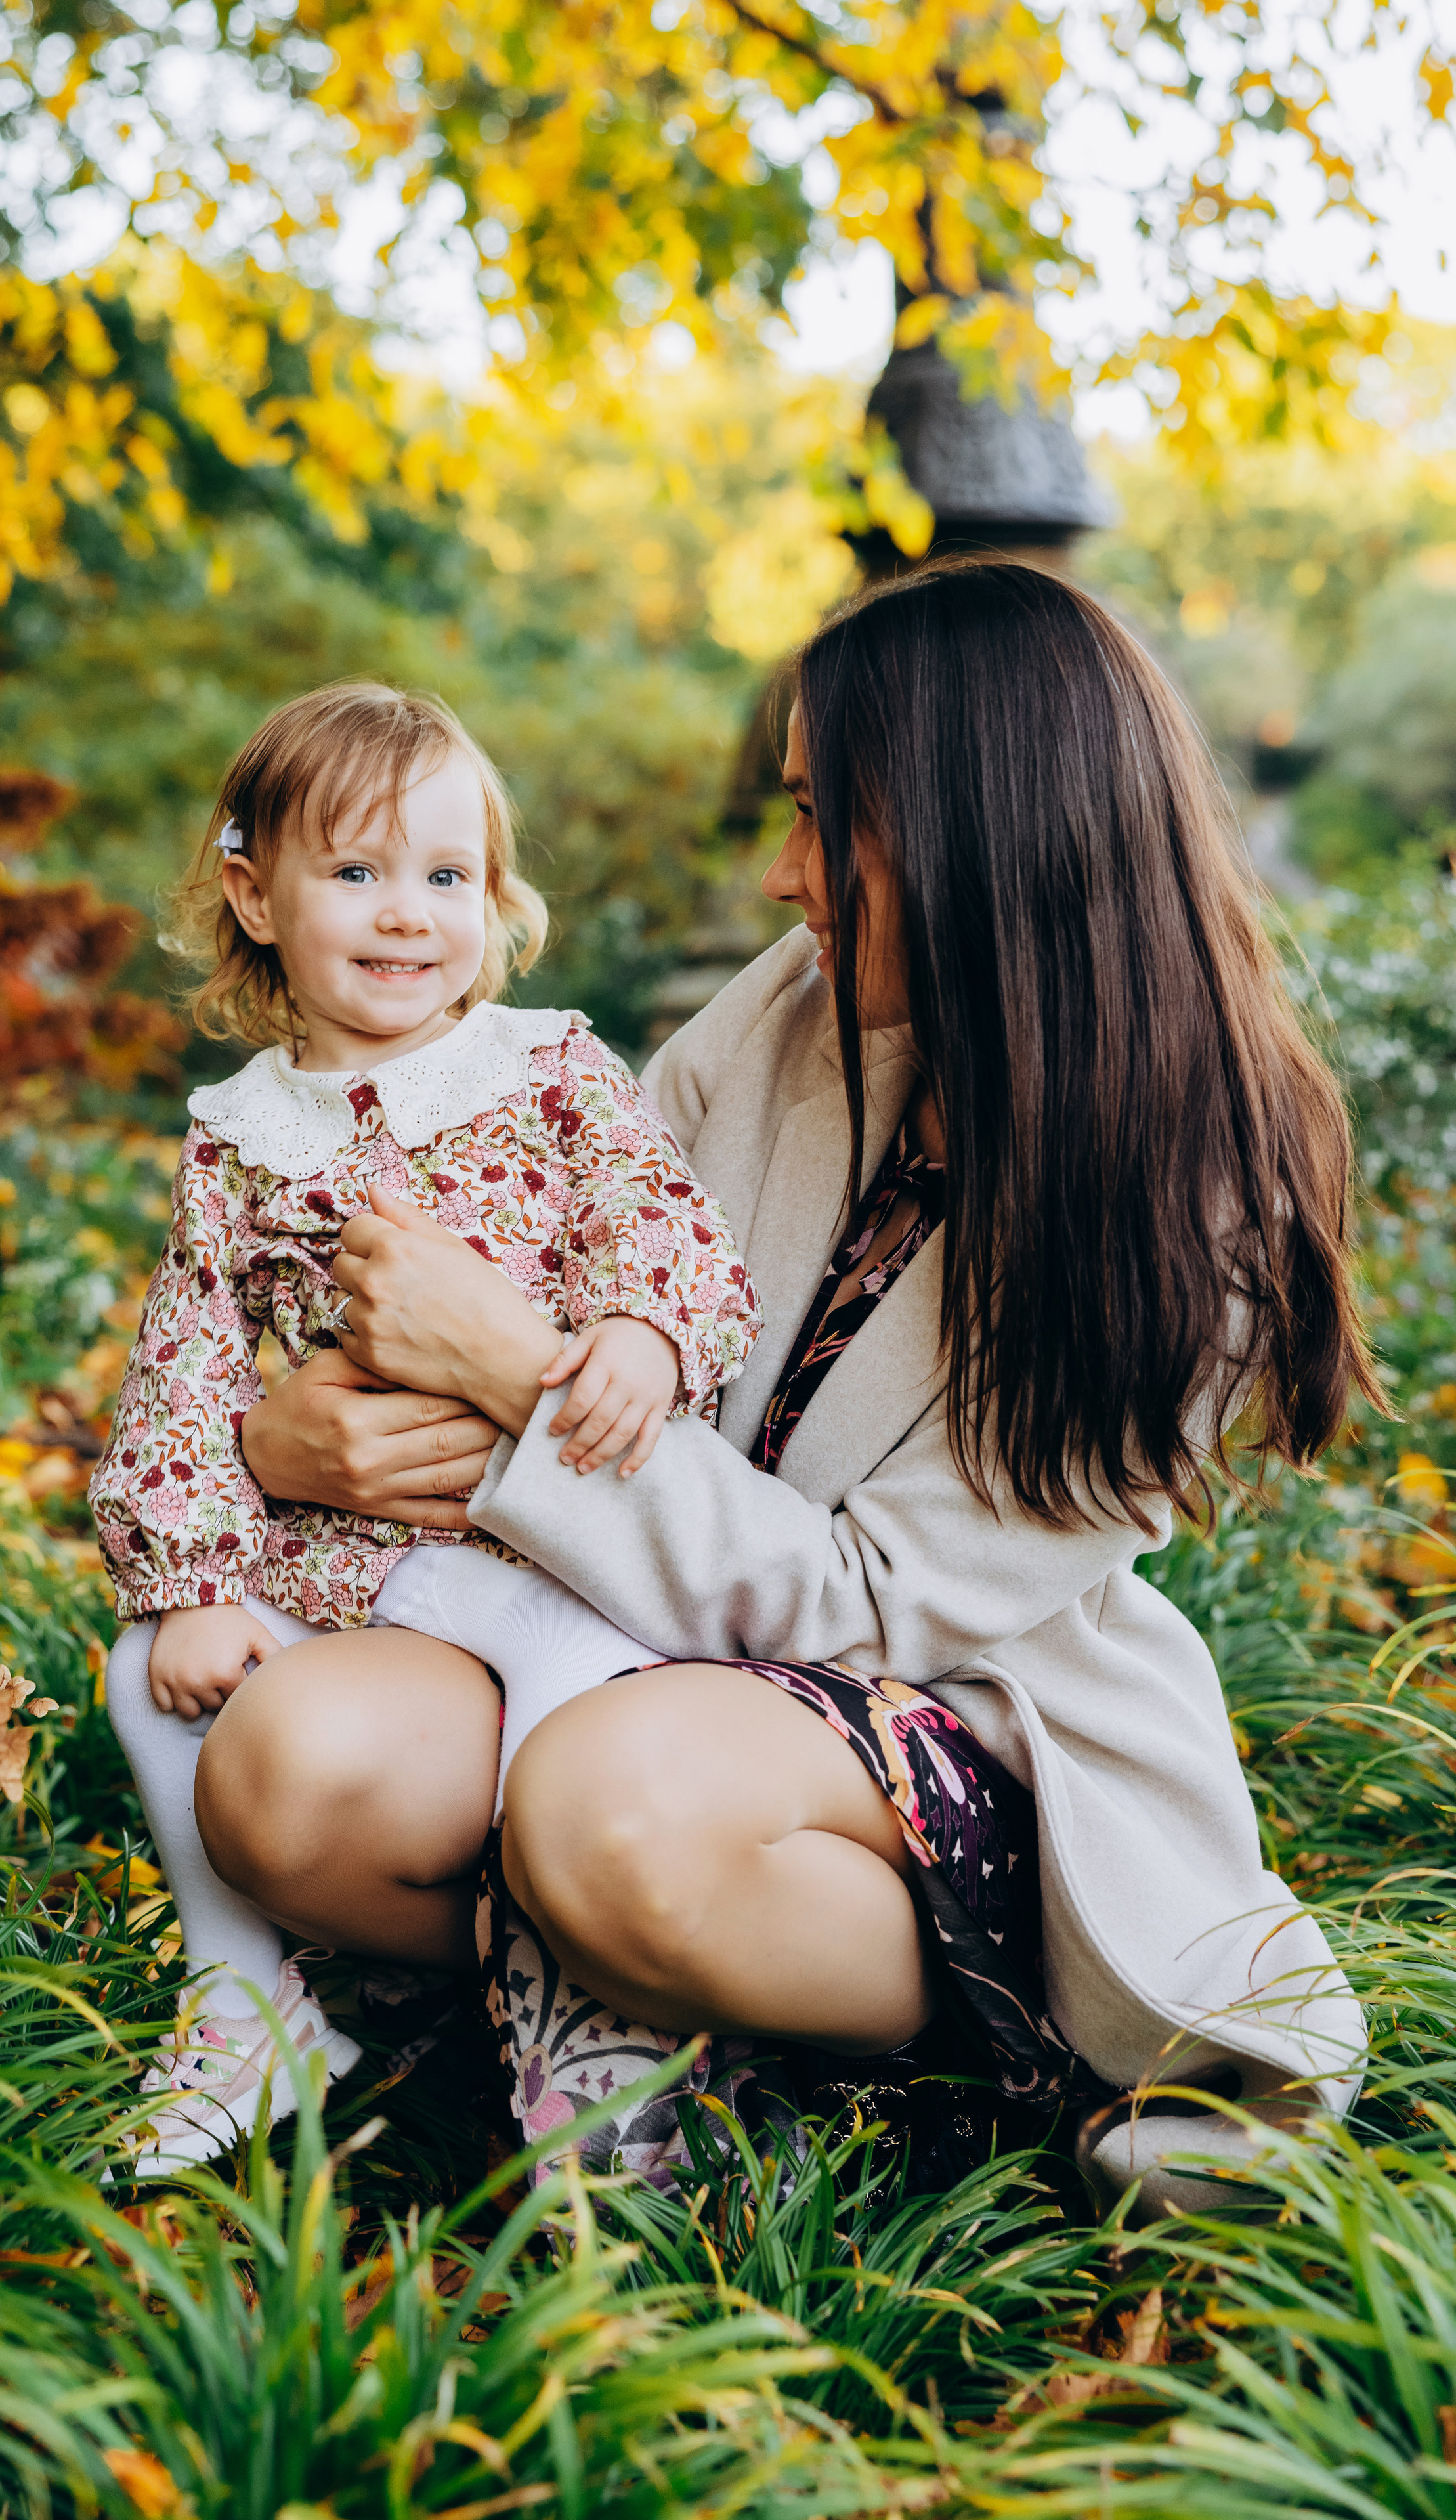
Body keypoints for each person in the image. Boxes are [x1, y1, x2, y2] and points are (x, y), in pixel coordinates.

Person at [200, 563, 1379, 2214]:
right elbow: (564, 1280)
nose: (779, 875)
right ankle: (683, 2023)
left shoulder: (1200, 1204)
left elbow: (861, 1605)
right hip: (621, 1629)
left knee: (609, 1804)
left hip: (947, 1728)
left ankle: (963, 2065)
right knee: (285, 1776)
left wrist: (519, 1384)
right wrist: (287, 1433)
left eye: (828, 819)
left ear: (984, 834)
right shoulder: (797, 1013)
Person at [93, 680, 761, 2174]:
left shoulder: (545, 1072)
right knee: (142, 1670)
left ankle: (592, 2008)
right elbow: (188, 1358)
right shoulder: (237, 1136)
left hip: (536, 1536)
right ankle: (244, 2002)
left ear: (496, 900)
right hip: (340, 1559)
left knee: (578, 1718)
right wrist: (195, 1575)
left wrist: (644, 1330)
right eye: (356, 872)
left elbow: (665, 1225)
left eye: (446, 877)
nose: (408, 916)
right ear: (252, 896)